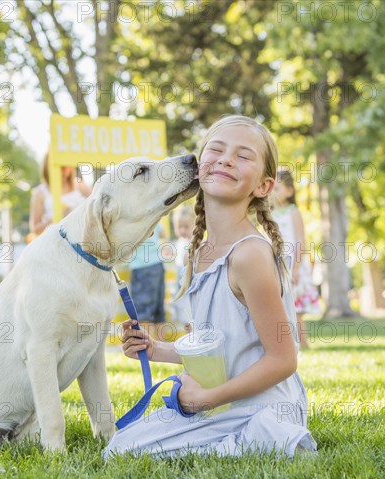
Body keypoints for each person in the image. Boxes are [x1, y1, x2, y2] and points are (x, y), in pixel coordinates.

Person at [104, 115, 317, 459]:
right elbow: (217, 350)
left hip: (265, 403)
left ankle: (272, 436)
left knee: (126, 452)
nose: (226, 159)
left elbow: (282, 360)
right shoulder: (198, 253)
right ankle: (246, 441)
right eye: (215, 150)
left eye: (243, 156)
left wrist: (206, 399)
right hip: (224, 399)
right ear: (199, 167)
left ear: (263, 186)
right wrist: (156, 349)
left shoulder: (249, 255)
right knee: (120, 447)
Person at [270, 169, 320, 349]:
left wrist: (297, 267)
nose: (272, 193)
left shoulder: (293, 212)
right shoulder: (269, 215)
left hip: (294, 265)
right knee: (281, 307)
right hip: (278, 265)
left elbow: (300, 240)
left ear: (289, 191)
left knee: (296, 308)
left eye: (277, 189)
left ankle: (304, 343)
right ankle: (286, 344)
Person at [28, 153, 92, 238]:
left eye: (67, 166)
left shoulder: (79, 184)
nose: (65, 171)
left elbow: (96, 202)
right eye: (61, 167)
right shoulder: (40, 193)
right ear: (49, 166)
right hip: (56, 241)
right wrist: (59, 217)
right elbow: (35, 229)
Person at [128, 222, 167, 341]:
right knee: (158, 311)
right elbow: (162, 233)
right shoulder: (153, 214)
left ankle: (145, 347)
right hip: (157, 264)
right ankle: (162, 348)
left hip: (141, 266)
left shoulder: (131, 218)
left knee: (143, 311)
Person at [169, 205, 195, 329]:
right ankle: (187, 342)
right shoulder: (180, 242)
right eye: (180, 227)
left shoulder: (194, 243)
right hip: (180, 286)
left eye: (186, 227)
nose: (182, 230)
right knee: (184, 319)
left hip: (189, 286)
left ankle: (192, 341)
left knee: (191, 318)